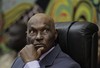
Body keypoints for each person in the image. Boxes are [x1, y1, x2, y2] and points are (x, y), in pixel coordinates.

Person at [11, 13, 81, 68]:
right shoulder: (20, 60)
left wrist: (32, 64)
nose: (38, 37)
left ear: (55, 34)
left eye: (45, 31)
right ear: (27, 35)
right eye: (32, 32)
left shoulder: (69, 66)